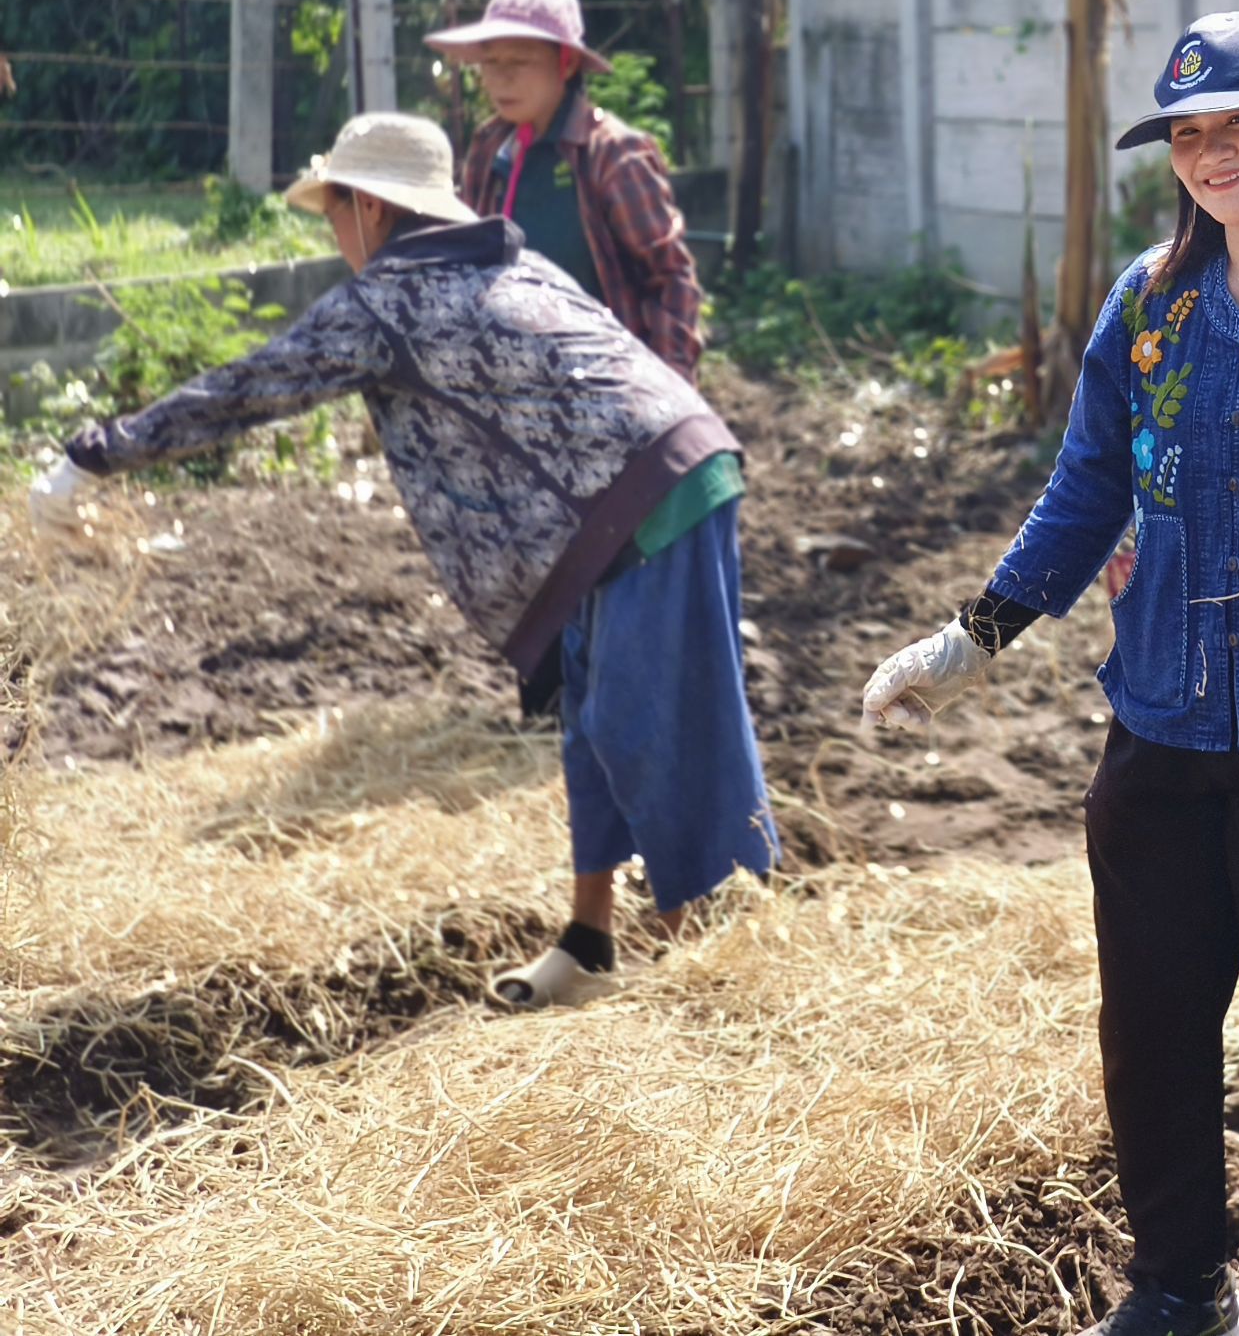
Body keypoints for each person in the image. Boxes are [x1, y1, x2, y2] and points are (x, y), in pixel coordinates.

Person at [861, 11, 1239, 1336]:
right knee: (1150, 1031)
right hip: (1160, 733)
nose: (1212, 154)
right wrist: (975, 633)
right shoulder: (1150, 305)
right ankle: (1176, 1290)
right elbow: (1089, 487)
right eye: (1188, 135)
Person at [28, 113, 777, 1009]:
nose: (333, 234)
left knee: (648, 731)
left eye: (333, 211)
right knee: (591, 721)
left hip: (650, 500)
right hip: (638, 493)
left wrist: (94, 454)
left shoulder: (387, 299)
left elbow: (249, 388)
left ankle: (717, 982)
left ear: (372, 209)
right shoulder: (502, 261)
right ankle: (589, 946)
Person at [426, 0, 705, 382]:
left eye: (520, 61)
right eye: (491, 62)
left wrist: (668, 396)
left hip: (607, 394)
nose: (502, 78)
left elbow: (671, 280)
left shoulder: (610, 155)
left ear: (567, 63)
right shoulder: (488, 151)